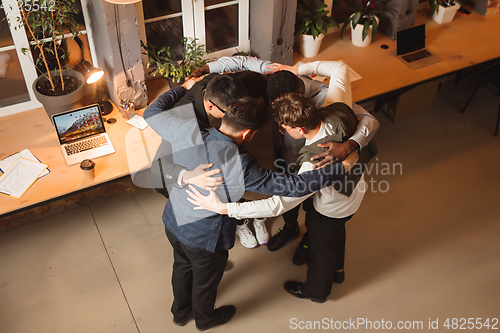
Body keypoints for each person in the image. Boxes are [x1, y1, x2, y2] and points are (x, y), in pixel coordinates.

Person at [143, 78, 350, 330]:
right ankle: (205, 320)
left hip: (173, 220)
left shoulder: (187, 129)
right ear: (247, 133)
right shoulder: (241, 165)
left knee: (182, 266)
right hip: (204, 237)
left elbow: (151, 112)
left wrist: (183, 89)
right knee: (205, 281)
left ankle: (179, 311)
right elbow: (295, 186)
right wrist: (339, 166)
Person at [186, 60, 377, 303]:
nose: (282, 130)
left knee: (323, 243)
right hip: (355, 188)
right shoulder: (335, 103)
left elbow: (278, 204)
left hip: (332, 205)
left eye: (284, 127)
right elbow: (340, 68)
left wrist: (226, 209)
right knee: (333, 235)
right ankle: (337, 271)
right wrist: (298, 70)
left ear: (297, 128)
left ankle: (317, 291)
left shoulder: (315, 161)